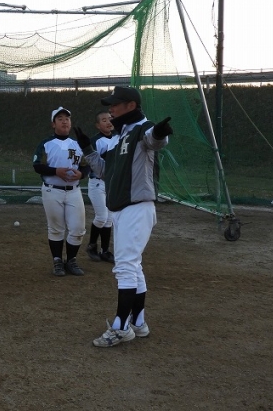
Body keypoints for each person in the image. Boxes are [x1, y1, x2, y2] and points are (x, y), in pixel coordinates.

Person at [75, 86, 173, 347]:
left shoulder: (142, 128)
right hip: (122, 209)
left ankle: (121, 327)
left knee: (126, 267)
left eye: (115, 105)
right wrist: (87, 148)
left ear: (130, 106)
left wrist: (161, 133)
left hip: (137, 207)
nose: (111, 109)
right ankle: (138, 323)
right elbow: (104, 171)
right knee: (133, 266)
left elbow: (154, 141)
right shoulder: (120, 136)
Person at [32, 106, 87, 277]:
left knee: (78, 228)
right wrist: (56, 171)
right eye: (60, 119)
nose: (64, 121)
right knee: (56, 228)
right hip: (52, 190)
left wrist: (82, 174)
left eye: (67, 119)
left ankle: (71, 260)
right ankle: (57, 261)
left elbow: (87, 165)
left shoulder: (77, 144)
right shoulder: (46, 144)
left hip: (74, 191)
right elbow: (37, 165)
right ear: (53, 124)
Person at [85, 111, 115, 264]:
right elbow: (92, 161)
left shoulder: (118, 138)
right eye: (104, 120)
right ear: (97, 125)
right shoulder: (95, 141)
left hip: (111, 183)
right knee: (102, 217)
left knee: (109, 219)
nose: (108, 122)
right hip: (97, 182)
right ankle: (91, 246)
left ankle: (105, 251)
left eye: (110, 119)